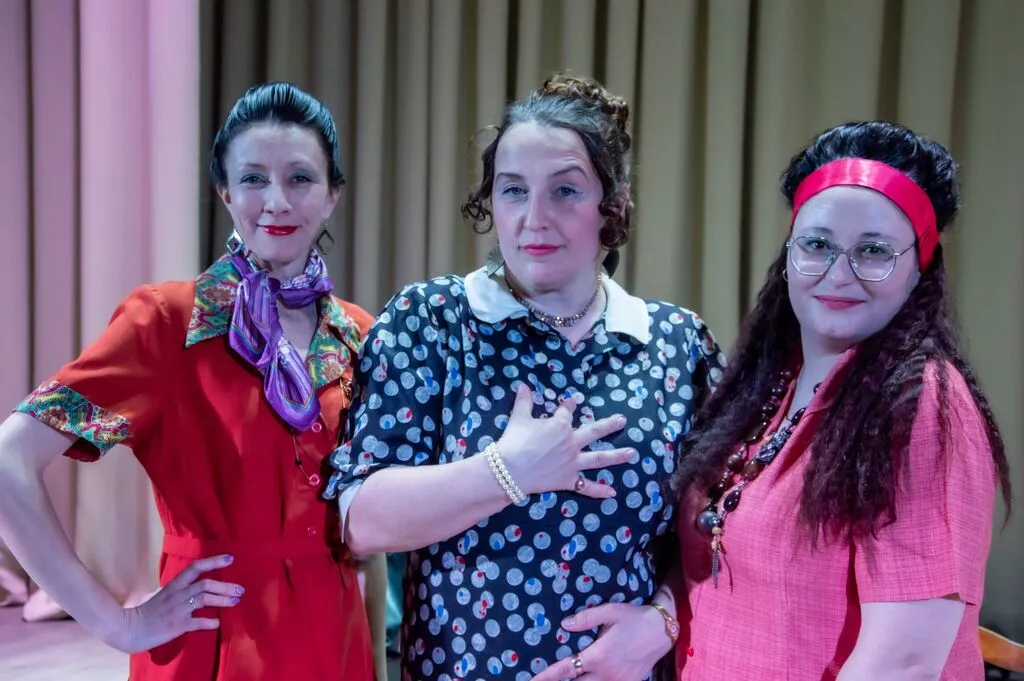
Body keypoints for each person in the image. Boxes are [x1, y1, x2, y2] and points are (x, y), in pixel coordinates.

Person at [323, 73, 726, 681]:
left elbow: (720, 527)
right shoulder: (431, 322)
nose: (535, 218)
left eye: (565, 191)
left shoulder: (677, 344)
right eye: (513, 190)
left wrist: (664, 621)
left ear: (613, 206)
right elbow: (361, 521)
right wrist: (505, 472)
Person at [0, 82, 381, 680]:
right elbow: (9, 463)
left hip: (335, 643)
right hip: (215, 646)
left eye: (300, 179)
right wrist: (117, 624)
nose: (276, 201)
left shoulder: (360, 335)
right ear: (225, 192)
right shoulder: (168, 323)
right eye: (253, 179)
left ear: (332, 195)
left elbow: (371, 527)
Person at [664, 121, 1011, 679]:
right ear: (789, 253)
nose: (838, 273)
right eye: (817, 245)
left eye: (872, 251)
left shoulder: (923, 402)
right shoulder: (770, 386)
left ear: (918, 267)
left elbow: (901, 665)